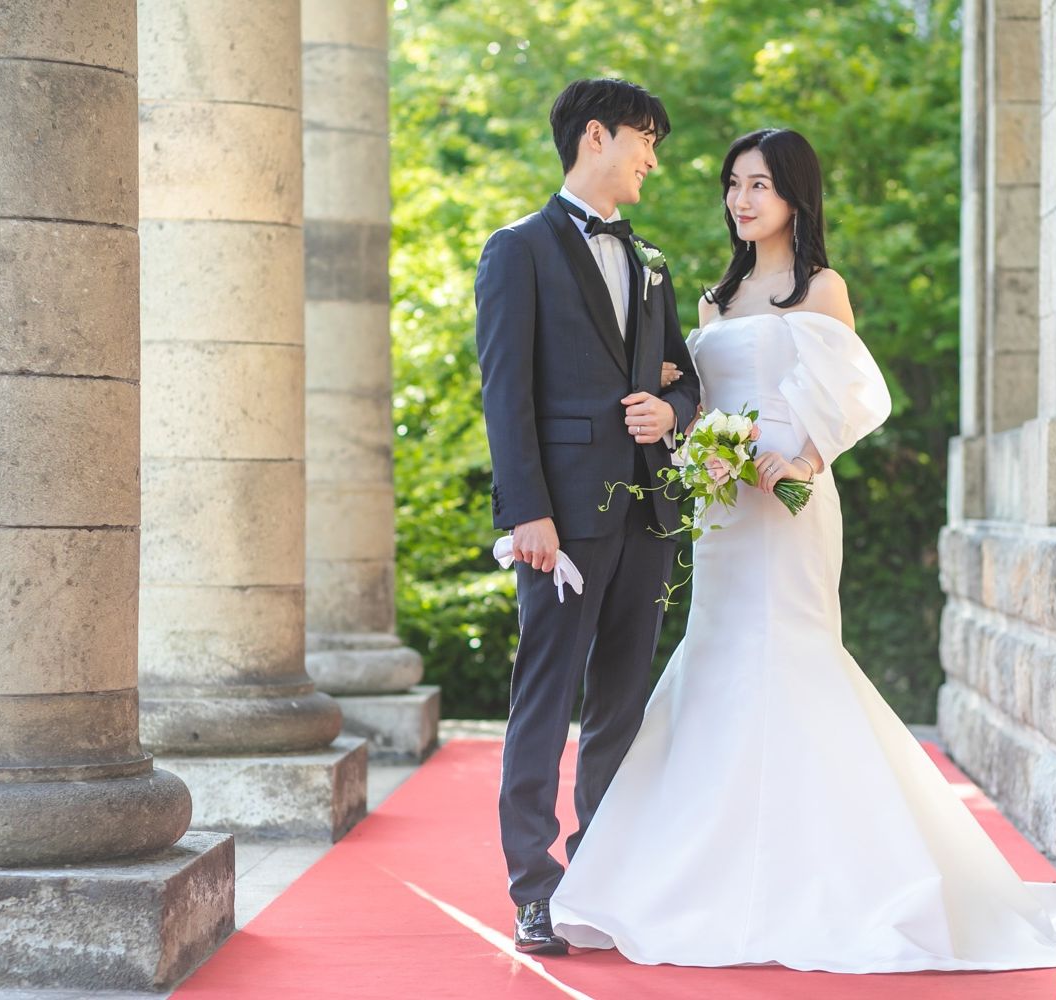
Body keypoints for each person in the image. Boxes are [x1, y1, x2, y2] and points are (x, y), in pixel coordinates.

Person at [549, 128, 1056, 971]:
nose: (741, 200)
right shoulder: (712, 300)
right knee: (719, 657)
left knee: (795, 656)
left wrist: (801, 461)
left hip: (791, 500)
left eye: (759, 185)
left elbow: (852, 394)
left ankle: (842, 875)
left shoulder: (820, 288)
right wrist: (697, 440)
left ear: (794, 197)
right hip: (725, 508)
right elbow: (701, 402)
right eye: (733, 183)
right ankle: (709, 874)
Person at [474, 78, 701, 955]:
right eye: (647, 140)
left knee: (620, 705)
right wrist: (526, 513)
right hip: (561, 523)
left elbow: (686, 374)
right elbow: (506, 394)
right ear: (596, 136)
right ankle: (533, 889)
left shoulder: (652, 263)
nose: (653, 160)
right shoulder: (517, 249)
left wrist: (670, 411)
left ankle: (600, 878)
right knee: (546, 698)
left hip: (648, 512)